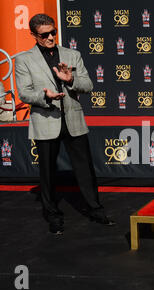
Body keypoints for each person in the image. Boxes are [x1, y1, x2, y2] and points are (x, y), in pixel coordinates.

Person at [15, 14, 114, 234]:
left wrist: (71, 80)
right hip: (45, 120)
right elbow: (24, 93)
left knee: (85, 169)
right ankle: (53, 216)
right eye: (44, 34)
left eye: (53, 32)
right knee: (48, 173)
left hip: (73, 119)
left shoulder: (72, 54)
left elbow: (88, 85)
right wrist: (46, 96)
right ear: (33, 35)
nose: (50, 37)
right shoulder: (24, 59)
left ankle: (96, 210)